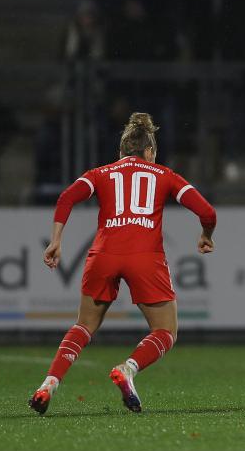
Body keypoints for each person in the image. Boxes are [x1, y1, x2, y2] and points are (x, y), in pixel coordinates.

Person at [29, 113, 216, 415]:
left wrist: (56, 240)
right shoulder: (165, 174)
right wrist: (206, 235)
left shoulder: (100, 173)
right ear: (150, 151)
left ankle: (49, 383)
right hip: (145, 257)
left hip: (104, 254)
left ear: (121, 151)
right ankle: (128, 368)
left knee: (84, 326)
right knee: (165, 331)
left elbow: (66, 198)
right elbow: (207, 212)